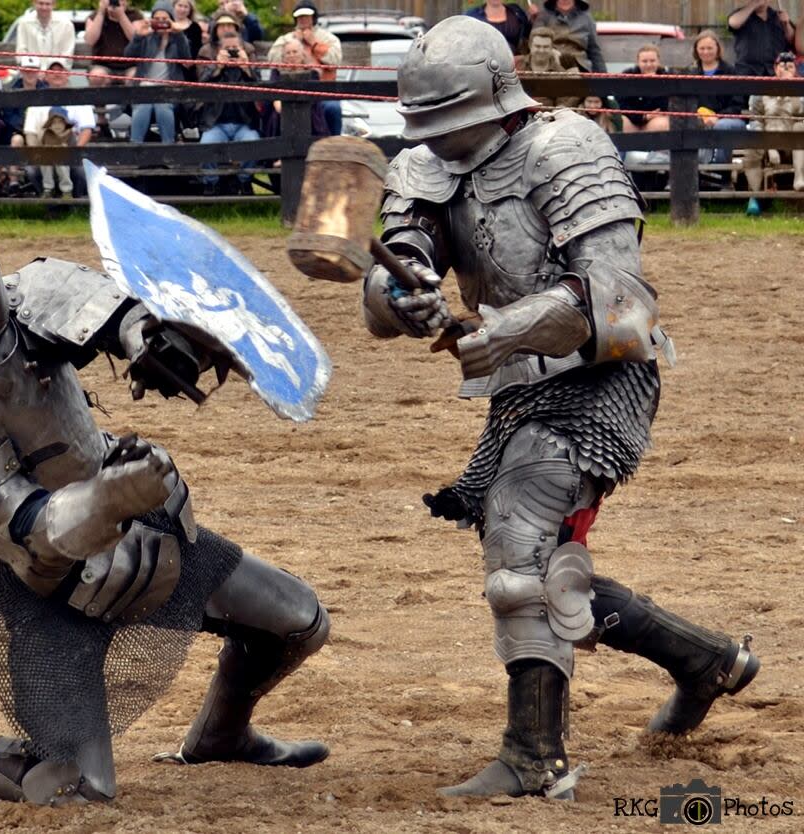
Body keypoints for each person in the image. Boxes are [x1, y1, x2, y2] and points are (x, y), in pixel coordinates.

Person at [361, 16, 760, 800]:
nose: (439, 142)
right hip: (520, 388)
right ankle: (706, 660)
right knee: (540, 566)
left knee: (518, 540)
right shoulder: (425, 166)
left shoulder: (564, 148)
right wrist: (398, 288)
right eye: (427, 127)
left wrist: (503, 328)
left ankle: (534, 757)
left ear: (496, 99)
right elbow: (399, 268)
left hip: (604, 373)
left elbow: (621, 299)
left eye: (451, 123)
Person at [0, 224, 331, 810]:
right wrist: (111, 498)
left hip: (149, 539)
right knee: (77, 792)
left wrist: (150, 341)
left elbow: (114, 314)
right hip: (48, 594)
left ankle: (220, 735)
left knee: (299, 624)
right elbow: (27, 531)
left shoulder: (27, 292)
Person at [197, 14, 260, 196]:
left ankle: (244, 181)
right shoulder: (213, 64)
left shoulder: (247, 65)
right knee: (205, 145)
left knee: (254, 144)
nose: (232, 52)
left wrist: (246, 67)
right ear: (220, 50)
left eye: (235, 48)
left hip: (244, 123)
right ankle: (211, 183)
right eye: (228, 49)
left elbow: (261, 86)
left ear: (242, 49)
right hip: (216, 123)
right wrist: (217, 67)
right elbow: (200, 84)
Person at [18, 60, 96, 198]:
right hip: (44, 150)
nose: (57, 74)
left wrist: (75, 152)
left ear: (67, 74)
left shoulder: (80, 98)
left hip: (71, 148)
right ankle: (49, 203)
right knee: (32, 171)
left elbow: (86, 129)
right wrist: (37, 153)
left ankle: (73, 204)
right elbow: (30, 132)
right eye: (52, 71)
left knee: (79, 171)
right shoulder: (36, 100)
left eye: (60, 71)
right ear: (46, 76)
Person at [268, 2, 343, 136]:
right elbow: (272, 60)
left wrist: (313, 43)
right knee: (273, 109)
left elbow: (334, 60)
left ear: (314, 17)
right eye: (300, 16)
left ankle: (334, 147)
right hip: (289, 91)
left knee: (333, 108)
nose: (303, 19)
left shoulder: (328, 38)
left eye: (306, 16)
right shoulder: (286, 38)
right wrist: (293, 46)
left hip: (323, 92)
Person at [124, 1, 192, 144]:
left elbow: (186, 58)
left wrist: (178, 33)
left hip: (168, 89)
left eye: (165, 19)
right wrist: (138, 35)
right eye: (157, 19)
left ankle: (168, 148)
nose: (161, 22)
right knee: (143, 107)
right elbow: (128, 56)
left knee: (163, 107)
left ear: (171, 20)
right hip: (144, 87)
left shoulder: (178, 39)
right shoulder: (146, 37)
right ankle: (135, 148)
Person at [741, 52, 804, 204]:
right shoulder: (762, 89)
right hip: (768, 136)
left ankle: (799, 177)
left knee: (799, 127)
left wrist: (793, 91)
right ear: (775, 69)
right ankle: (755, 196)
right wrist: (768, 145)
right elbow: (755, 118)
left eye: (790, 67)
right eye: (782, 66)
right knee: (752, 147)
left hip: (795, 140)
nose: (786, 70)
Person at [685, 29, 747, 165]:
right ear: (696, 50)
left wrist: (717, 117)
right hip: (698, 118)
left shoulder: (731, 72)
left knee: (722, 126)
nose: (706, 52)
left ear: (718, 49)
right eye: (702, 48)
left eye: (709, 48)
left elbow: (737, 105)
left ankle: (722, 173)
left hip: (728, 120)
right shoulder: (690, 72)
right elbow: (684, 102)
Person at [514, 27, 581, 109]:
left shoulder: (560, 74)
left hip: (545, 118)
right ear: (530, 46)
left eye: (546, 47)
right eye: (537, 46)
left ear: (552, 48)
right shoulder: (515, 64)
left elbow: (561, 105)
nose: (541, 50)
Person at [530, 0, 605, 73]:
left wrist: (604, 79)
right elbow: (534, 42)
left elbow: (595, 51)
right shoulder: (543, 16)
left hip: (580, 67)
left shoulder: (586, 18)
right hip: (551, 66)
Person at [728, 0, 794, 77]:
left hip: (775, 72)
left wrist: (786, 24)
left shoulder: (778, 16)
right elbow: (733, 23)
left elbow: (791, 40)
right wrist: (754, 4)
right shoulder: (742, 14)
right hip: (747, 71)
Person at [616, 44, 671, 133]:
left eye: (652, 61)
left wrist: (654, 83)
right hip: (632, 119)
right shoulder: (627, 76)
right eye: (644, 61)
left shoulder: (667, 77)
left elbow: (667, 103)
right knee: (620, 121)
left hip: (656, 118)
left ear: (658, 61)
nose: (649, 65)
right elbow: (621, 103)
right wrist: (642, 116)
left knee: (663, 123)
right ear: (638, 62)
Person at [84, 0, 143, 72]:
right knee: (97, 75)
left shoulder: (135, 15)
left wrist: (121, 16)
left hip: (130, 65)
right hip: (102, 65)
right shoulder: (95, 16)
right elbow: (90, 40)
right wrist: (101, 13)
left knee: (134, 75)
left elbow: (135, 39)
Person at [16, 0, 76, 70]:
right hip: (31, 72)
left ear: (54, 5)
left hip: (56, 73)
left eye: (47, 4)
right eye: (41, 3)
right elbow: (21, 51)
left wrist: (50, 71)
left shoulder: (66, 24)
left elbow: (67, 54)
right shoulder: (24, 23)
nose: (44, 7)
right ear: (34, 3)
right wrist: (34, 69)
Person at [464, 0, 532, 55]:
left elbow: (527, 35)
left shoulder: (516, 12)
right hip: (483, 65)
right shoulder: (472, 16)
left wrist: (533, 18)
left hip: (514, 65)